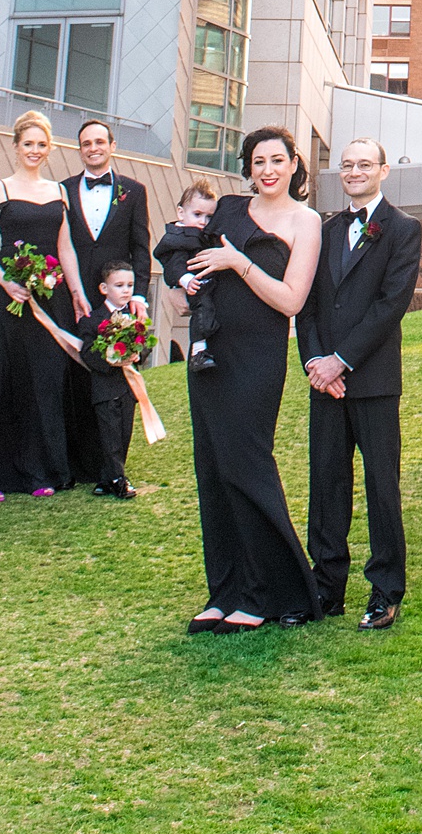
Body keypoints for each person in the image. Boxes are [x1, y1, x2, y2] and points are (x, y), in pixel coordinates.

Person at [178, 125, 322, 633]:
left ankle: (268, 594)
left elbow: (291, 301)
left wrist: (238, 263)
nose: (268, 170)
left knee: (247, 466)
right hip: (209, 356)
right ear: (248, 166)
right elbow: (184, 252)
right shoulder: (228, 211)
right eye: (258, 161)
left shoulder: (307, 222)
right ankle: (225, 592)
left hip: (258, 357)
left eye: (277, 160)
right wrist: (185, 282)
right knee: (212, 471)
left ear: (293, 165)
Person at [296, 136, 422, 631]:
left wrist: (341, 361)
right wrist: (315, 364)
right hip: (323, 383)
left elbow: (391, 303)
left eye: (364, 164)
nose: (354, 172)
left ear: (383, 171)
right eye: (346, 165)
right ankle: (326, 588)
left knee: (381, 487)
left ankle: (385, 590)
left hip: (371, 380)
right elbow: (305, 303)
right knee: (326, 485)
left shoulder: (403, 229)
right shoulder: (323, 230)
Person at [0, 110, 85, 501]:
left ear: (49, 150)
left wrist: (78, 292)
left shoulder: (59, 192)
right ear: (16, 147)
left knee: (44, 384)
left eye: (41, 145)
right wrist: (6, 281)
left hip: (51, 300)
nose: (35, 150)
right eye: (28, 144)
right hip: (7, 300)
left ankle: (38, 473)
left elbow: (65, 247)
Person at [60, 120, 153, 484]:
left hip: (117, 302)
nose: (93, 148)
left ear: (112, 145)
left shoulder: (134, 190)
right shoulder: (63, 189)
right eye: (86, 143)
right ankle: (77, 462)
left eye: (100, 141)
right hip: (74, 299)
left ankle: (112, 466)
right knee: (76, 375)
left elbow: (140, 248)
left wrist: (138, 295)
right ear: (79, 148)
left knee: (116, 381)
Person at [27, 256, 146, 501]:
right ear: (104, 288)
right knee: (109, 435)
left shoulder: (134, 319)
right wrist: (111, 358)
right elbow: (88, 354)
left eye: (129, 286)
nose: (125, 291)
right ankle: (117, 480)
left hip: (128, 387)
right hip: (104, 387)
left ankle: (106, 479)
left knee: (124, 434)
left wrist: (136, 354)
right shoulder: (93, 320)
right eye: (119, 285)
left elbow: (145, 345)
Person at [154, 180, 223, 369]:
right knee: (203, 310)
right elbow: (174, 264)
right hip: (193, 285)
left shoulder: (204, 236)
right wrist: (186, 280)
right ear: (181, 213)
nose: (203, 221)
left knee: (208, 309)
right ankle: (198, 352)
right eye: (197, 214)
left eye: (209, 217)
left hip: (206, 282)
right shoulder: (180, 237)